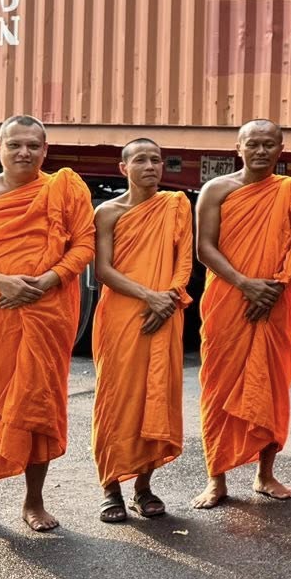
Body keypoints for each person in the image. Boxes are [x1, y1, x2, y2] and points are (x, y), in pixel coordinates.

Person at [0, 114, 96, 539]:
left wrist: (47, 280)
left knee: (38, 401)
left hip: (46, 311)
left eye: (33, 145)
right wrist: (3, 282)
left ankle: (34, 501)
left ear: (45, 150)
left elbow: (85, 244)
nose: (24, 152)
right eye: (14, 145)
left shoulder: (63, 189)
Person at [192, 119, 291, 509]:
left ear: (280, 149)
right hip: (228, 298)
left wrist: (274, 287)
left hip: (276, 297)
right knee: (219, 385)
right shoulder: (217, 189)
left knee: (271, 385)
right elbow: (205, 248)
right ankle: (216, 478)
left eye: (268, 144)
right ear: (238, 148)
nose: (261, 151)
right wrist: (246, 284)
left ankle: (265, 474)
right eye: (253, 144)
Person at [90, 137, 192, 524]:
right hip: (123, 312)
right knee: (117, 398)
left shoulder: (175, 205)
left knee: (156, 394)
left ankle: (143, 487)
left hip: (166, 310)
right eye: (141, 160)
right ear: (124, 168)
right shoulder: (108, 212)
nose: (150, 166)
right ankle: (111, 487)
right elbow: (104, 269)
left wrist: (170, 298)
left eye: (156, 160)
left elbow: (184, 262)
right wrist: (149, 296)